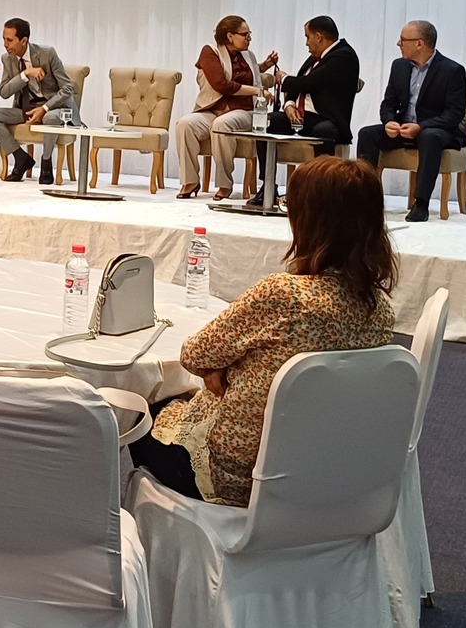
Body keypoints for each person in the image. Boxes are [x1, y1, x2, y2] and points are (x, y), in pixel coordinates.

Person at [130, 157, 398, 504]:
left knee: (134, 413)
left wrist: (224, 368)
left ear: (309, 220)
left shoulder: (283, 296)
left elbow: (194, 354)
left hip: (240, 477)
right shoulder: (380, 312)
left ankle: (131, 527)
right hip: (322, 474)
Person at [356, 20, 466, 223]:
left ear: (419, 43)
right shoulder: (399, 66)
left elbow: (454, 114)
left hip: (437, 130)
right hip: (403, 128)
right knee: (367, 134)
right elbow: (388, 103)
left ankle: (421, 203)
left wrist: (421, 126)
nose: (398, 43)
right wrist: (389, 121)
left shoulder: (452, 70)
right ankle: (364, 198)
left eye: (403, 39)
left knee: (429, 136)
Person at [173, 16, 277, 200]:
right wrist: (258, 91)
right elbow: (222, 84)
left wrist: (266, 65)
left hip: (244, 111)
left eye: (249, 34)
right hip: (212, 109)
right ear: (230, 36)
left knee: (221, 124)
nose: (249, 39)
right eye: (245, 34)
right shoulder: (210, 52)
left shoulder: (248, 55)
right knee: (184, 124)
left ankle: (224, 184)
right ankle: (190, 181)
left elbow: (249, 72)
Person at [0, 17, 79, 184]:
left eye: (9, 40)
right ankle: (20, 157)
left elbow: (67, 88)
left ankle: (46, 163)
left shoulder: (47, 53)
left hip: (54, 109)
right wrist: (25, 74)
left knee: (49, 118)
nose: (5, 44)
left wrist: (44, 108)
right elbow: (4, 92)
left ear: (24, 40)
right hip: (26, 109)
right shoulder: (7, 59)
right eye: (4, 39)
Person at [280, 14, 360, 150]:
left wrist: (283, 78)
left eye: (307, 37)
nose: (306, 43)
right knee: (270, 121)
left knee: (324, 130)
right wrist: (289, 104)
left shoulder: (343, 56)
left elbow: (309, 83)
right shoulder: (316, 55)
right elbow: (300, 81)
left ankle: (322, 165)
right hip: (301, 118)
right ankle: (266, 165)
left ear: (318, 37)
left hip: (326, 118)